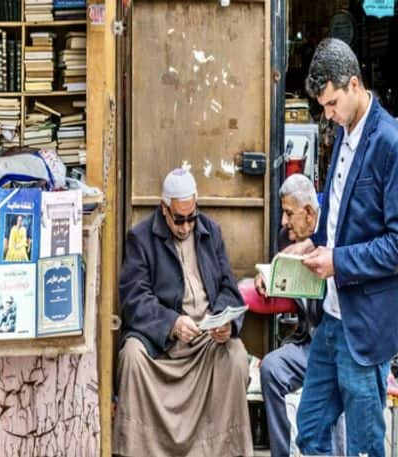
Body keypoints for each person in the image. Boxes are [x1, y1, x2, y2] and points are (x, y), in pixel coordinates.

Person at [289, 38, 398, 457]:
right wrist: (311, 246)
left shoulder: (389, 143)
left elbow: (395, 245)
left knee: (365, 447)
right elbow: (336, 217)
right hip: (332, 321)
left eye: (332, 103)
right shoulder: (342, 131)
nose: (328, 115)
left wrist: (337, 260)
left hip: (365, 325)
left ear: (354, 84)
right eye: (323, 107)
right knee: (310, 430)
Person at [112, 168, 252, 456]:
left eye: (191, 217)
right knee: (132, 357)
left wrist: (227, 323)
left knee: (236, 355)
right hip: (163, 340)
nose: (187, 226)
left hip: (204, 338)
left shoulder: (210, 232)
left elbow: (229, 289)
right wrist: (172, 323)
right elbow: (134, 298)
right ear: (165, 210)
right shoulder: (140, 237)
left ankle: (225, 450)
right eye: (179, 219)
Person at [240, 174, 328, 457]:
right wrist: (266, 277)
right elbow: (286, 283)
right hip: (308, 343)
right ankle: (281, 453)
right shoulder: (286, 239)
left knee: (337, 384)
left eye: (289, 213)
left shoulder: (329, 233)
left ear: (310, 213)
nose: (283, 222)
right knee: (272, 369)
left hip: (335, 343)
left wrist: (314, 246)